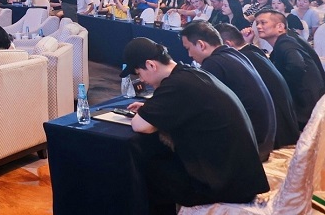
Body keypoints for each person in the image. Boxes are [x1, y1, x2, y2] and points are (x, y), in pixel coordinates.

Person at [122, 38, 269, 214]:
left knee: (146, 169)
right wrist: (151, 109)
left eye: (139, 73)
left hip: (224, 185)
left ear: (151, 65)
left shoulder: (176, 85)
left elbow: (141, 126)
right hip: (241, 177)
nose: (141, 79)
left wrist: (147, 113)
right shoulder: (190, 74)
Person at [180, 21, 275, 161]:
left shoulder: (213, 64)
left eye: (188, 48)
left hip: (251, 147)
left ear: (201, 44)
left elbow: (198, 105)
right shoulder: (235, 54)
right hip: (265, 140)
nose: (189, 55)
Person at [216, 23, 300, 149]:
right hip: (286, 126)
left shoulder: (241, 59)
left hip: (275, 135)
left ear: (227, 44)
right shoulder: (252, 51)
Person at [253, 9, 325, 129]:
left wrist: (282, 85)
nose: (259, 27)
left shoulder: (286, 44)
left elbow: (297, 65)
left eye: (263, 23)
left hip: (305, 107)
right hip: (309, 104)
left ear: (280, 27)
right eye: (257, 23)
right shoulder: (285, 41)